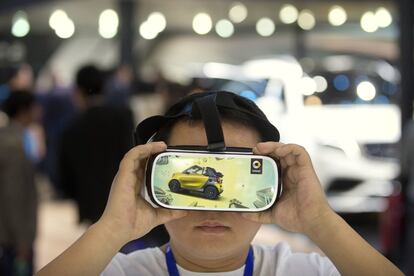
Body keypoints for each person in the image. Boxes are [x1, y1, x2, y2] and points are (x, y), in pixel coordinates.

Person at [38, 91, 403, 275]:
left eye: (239, 174)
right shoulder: (119, 269)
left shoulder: (301, 270)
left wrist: (320, 221)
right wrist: (113, 229)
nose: (214, 209)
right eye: (191, 163)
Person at [58, 64, 134, 224]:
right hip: (122, 193)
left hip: (89, 200)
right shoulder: (123, 117)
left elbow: (66, 170)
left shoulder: (73, 126)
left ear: (78, 91)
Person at [0, 91, 41, 276]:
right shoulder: (13, 145)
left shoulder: (10, 137)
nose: (39, 111)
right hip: (13, 238)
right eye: (35, 107)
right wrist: (21, 240)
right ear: (24, 110)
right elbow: (13, 195)